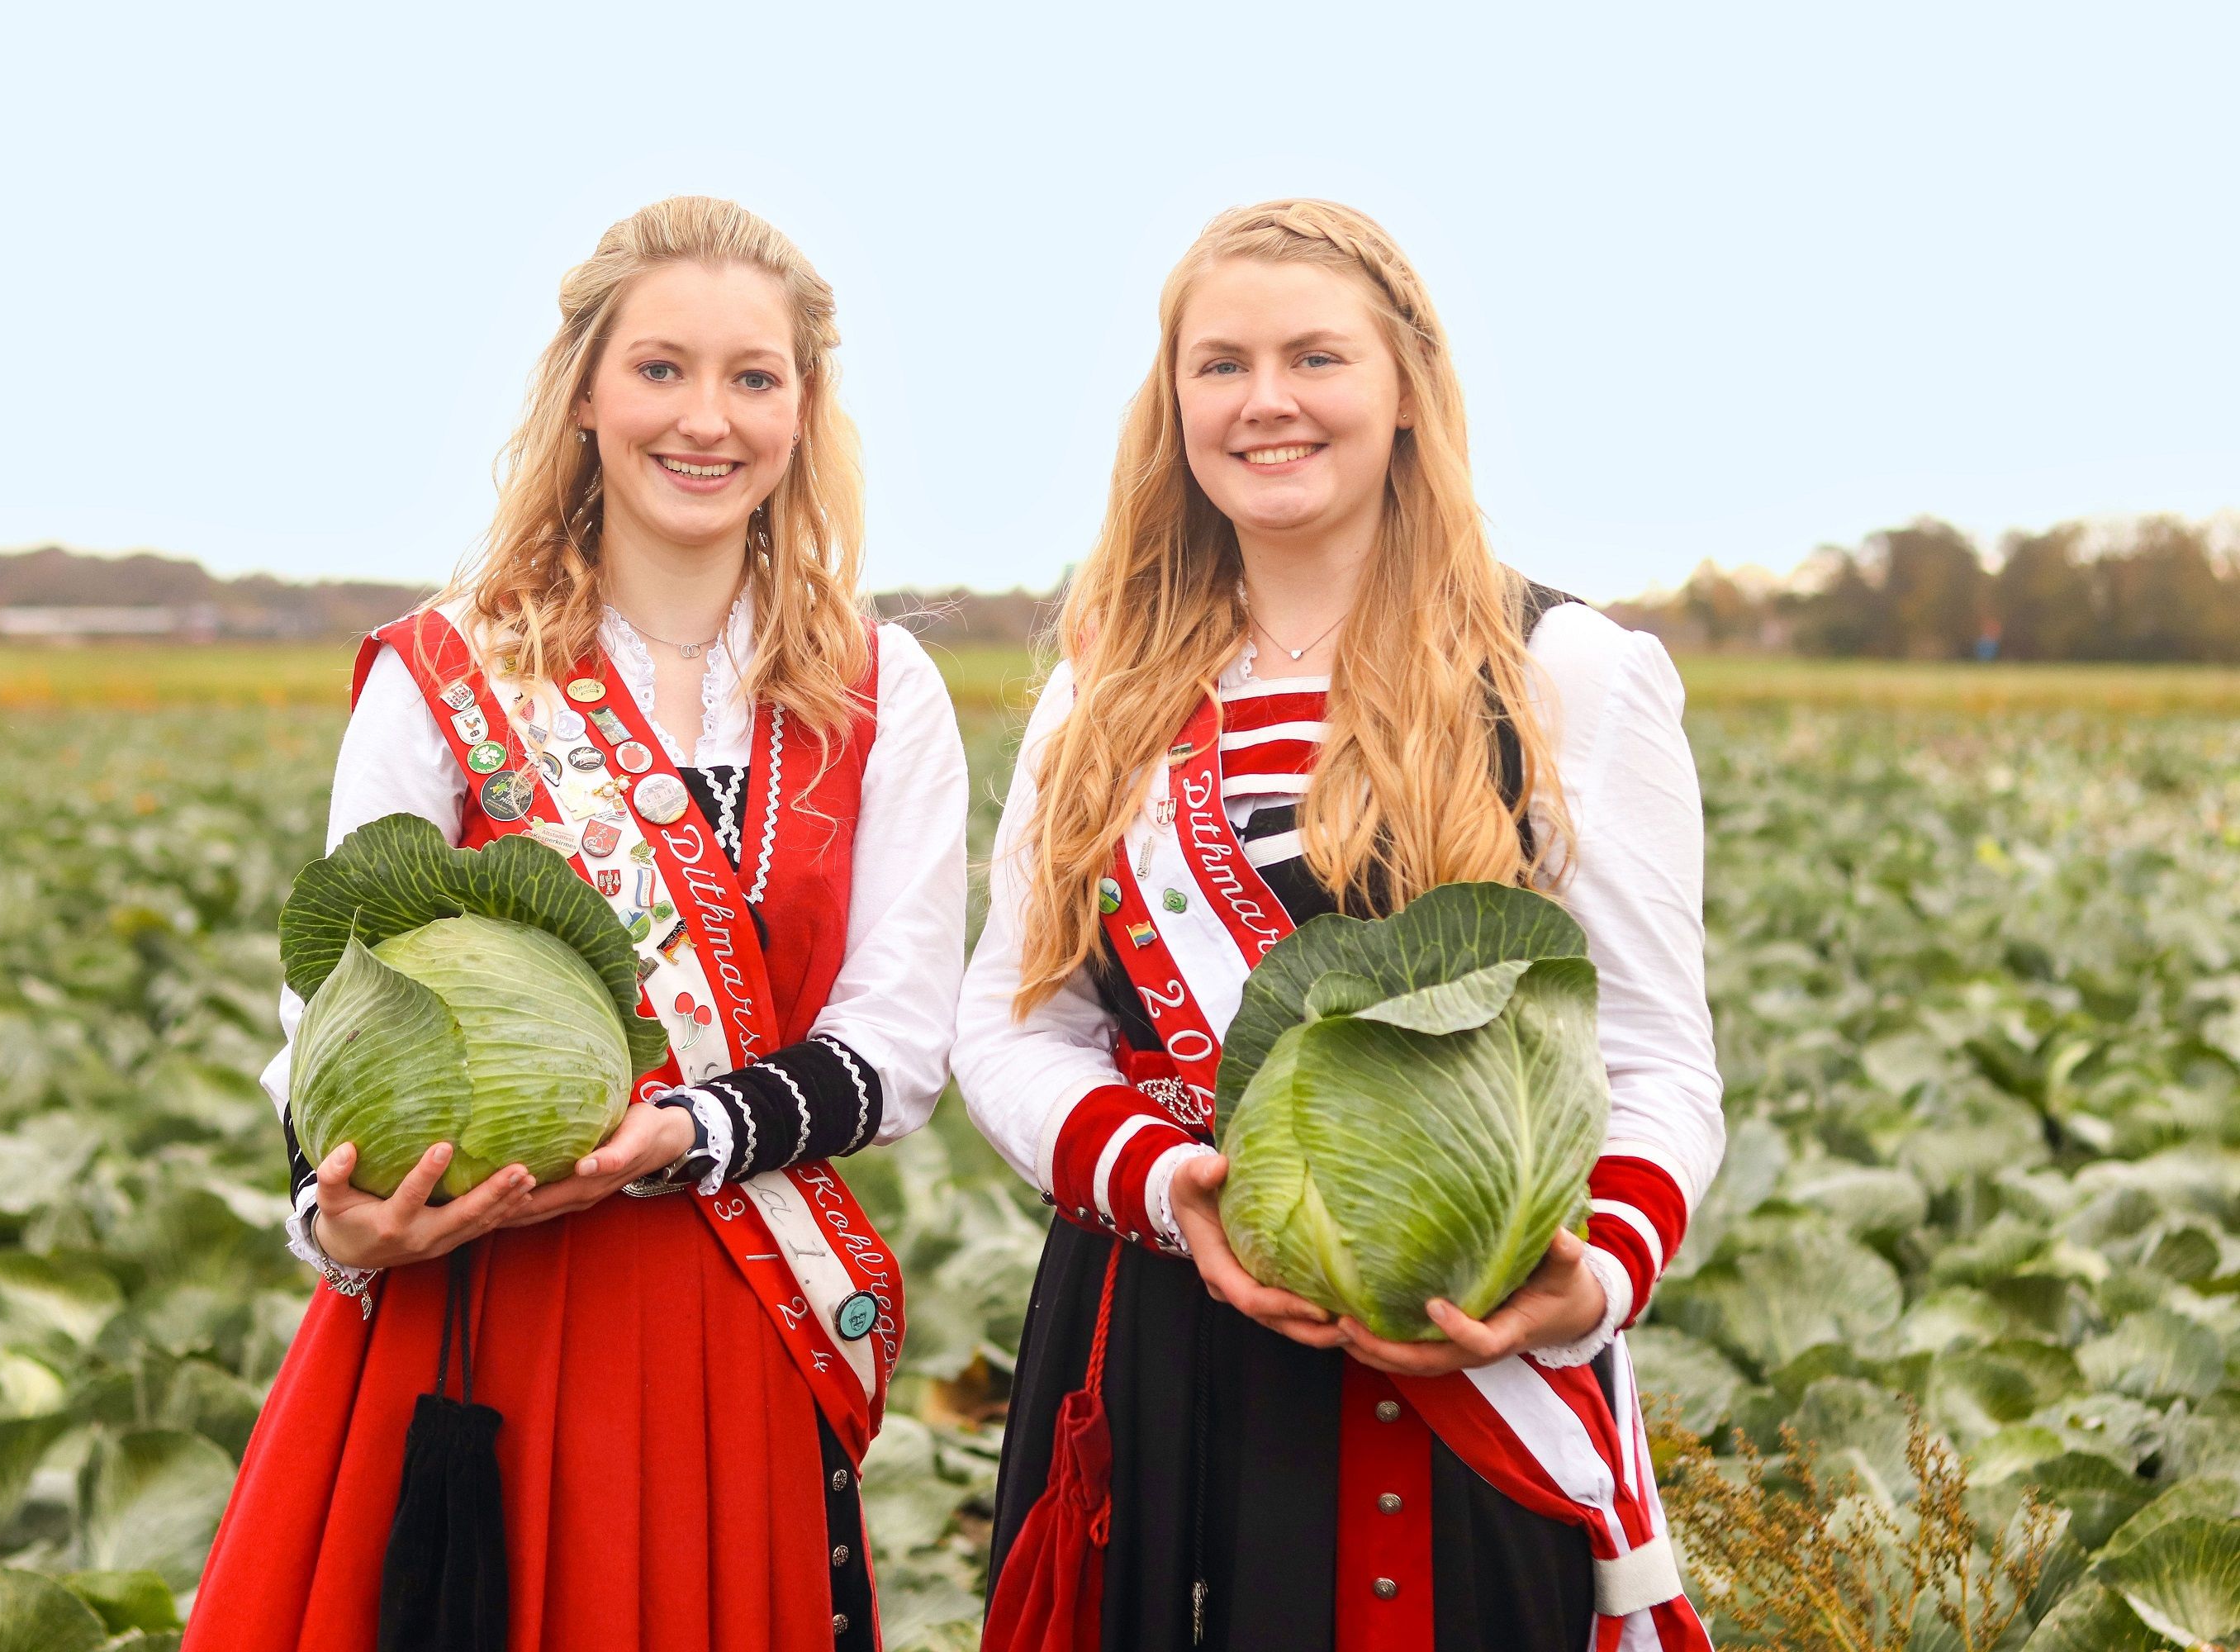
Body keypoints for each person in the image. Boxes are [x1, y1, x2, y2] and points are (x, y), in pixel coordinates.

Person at [187, 197, 969, 1652]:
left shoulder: (882, 687)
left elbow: (902, 1042)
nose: (707, 420)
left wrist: (682, 1132)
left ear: (805, 407)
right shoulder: (440, 672)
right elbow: (336, 1000)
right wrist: (339, 1210)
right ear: (589, 393)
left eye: (755, 377)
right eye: (662, 369)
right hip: (471, 1307)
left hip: (736, 1307)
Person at [952, 200, 1724, 1652]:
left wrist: (1590, 1276)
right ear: (1173, 400)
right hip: (1159, 1335)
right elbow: (1013, 1024)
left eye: (1317, 356)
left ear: (1408, 389)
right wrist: (1172, 1184)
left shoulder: (1565, 673)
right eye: (1220, 363)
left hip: (1460, 1340)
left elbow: (1658, 1055)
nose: (1266, 402)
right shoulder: (1098, 688)